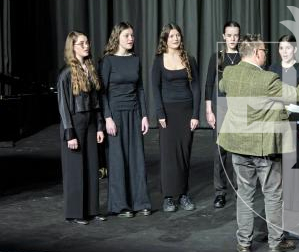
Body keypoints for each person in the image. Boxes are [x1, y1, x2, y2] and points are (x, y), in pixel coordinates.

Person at [218, 34, 299, 252]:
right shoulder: (268, 79)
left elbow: (224, 87)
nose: (266, 54)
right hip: (263, 148)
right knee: (272, 194)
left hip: (238, 144)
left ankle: (244, 243)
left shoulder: (230, 72)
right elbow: (298, 93)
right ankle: (275, 242)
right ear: (255, 53)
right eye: (263, 50)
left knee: (244, 194)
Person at [101, 21, 152, 218]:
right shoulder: (108, 61)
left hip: (133, 112)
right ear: (117, 38)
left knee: (137, 158)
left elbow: (140, 89)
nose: (131, 39)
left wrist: (144, 115)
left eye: (132, 35)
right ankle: (120, 205)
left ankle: (141, 202)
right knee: (117, 159)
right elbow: (102, 92)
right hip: (115, 114)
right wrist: (107, 117)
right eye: (127, 36)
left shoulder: (135, 59)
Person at [57, 31, 106, 225]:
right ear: (73, 47)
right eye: (82, 43)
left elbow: (97, 102)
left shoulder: (90, 69)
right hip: (74, 123)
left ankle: (92, 210)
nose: (87, 46)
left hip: (91, 122)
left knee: (92, 165)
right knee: (75, 168)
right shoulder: (66, 73)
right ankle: (76, 212)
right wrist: (70, 133)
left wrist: (100, 126)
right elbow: (63, 106)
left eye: (87, 42)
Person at [152, 23, 200, 212]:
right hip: (168, 113)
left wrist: (196, 114)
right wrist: (160, 113)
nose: (175, 39)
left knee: (184, 154)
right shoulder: (158, 60)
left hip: (186, 111)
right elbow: (155, 88)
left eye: (177, 35)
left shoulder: (189, 58)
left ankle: (183, 194)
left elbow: (195, 88)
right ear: (165, 39)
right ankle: (168, 196)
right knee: (168, 155)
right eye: (171, 36)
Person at [269, 34, 299, 214]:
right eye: (281, 48)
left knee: (297, 161)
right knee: (279, 163)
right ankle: (281, 202)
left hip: (296, 122)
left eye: (288, 48)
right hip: (277, 123)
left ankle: (298, 204)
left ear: (294, 49)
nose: (284, 51)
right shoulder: (273, 69)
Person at [205, 21, 241, 209]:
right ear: (223, 36)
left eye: (236, 35)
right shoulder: (217, 57)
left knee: (238, 151)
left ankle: (239, 190)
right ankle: (220, 192)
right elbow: (209, 83)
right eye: (229, 35)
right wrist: (209, 110)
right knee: (220, 152)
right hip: (220, 108)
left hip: (239, 110)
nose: (233, 38)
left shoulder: (244, 57)